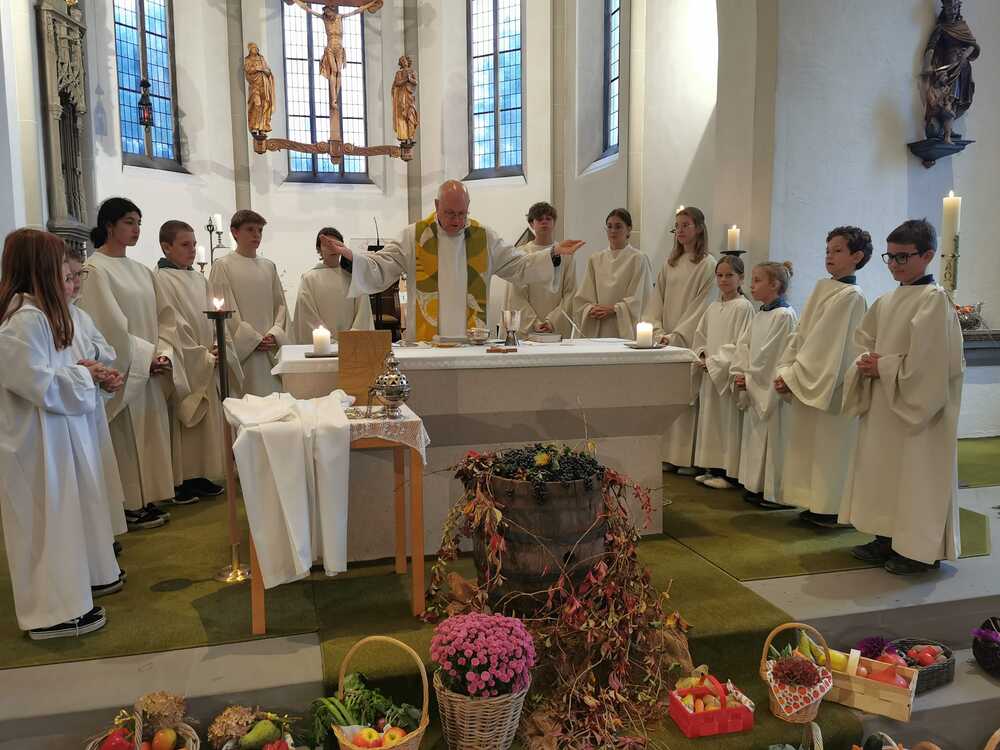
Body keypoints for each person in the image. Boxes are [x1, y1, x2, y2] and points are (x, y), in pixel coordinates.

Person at [0, 229, 122, 639]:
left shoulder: (41, 314)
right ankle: (51, 615)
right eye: (60, 269)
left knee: (64, 517)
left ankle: (72, 595)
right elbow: (37, 383)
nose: (68, 278)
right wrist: (86, 376)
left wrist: (91, 375)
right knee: (44, 522)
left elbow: (60, 371)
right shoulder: (22, 320)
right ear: (40, 269)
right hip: (34, 443)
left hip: (55, 435)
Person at [839, 219, 964, 574]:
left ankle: (919, 550)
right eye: (890, 257)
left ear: (928, 255)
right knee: (884, 471)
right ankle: (887, 537)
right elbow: (863, 342)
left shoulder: (934, 301)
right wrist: (865, 362)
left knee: (915, 474)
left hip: (919, 412)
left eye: (902, 257)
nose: (894, 264)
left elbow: (931, 366)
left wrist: (884, 366)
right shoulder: (886, 300)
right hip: (884, 405)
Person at [320, 180, 584, 342]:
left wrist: (552, 253)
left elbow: (519, 265)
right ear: (436, 205)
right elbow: (381, 266)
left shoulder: (484, 237)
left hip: (473, 343)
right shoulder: (414, 236)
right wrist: (352, 257)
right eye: (449, 213)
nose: (457, 220)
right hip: (426, 344)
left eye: (462, 213)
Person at [77, 198, 177, 530]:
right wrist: (144, 358)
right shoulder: (95, 270)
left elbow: (165, 318)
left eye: (138, 223)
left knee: (148, 434)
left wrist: (163, 353)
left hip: (148, 366)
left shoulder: (142, 271)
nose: (136, 230)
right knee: (125, 438)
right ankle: (128, 504)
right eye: (129, 222)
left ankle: (147, 497)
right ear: (109, 225)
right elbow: (108, 328)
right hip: (128, 369)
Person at [774, 227, 871, 527]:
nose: (829, 256)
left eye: (838, 250)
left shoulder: (851, 296)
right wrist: (786, 368)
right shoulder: (823, 287)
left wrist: (794, 373)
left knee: (830, 447)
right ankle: (814, 502)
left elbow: (828, 346)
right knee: (808, 444)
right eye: (828, 250)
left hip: (831, 384)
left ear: (857, 257)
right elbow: (801, 333)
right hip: (809, 376)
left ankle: (830, 507)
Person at [155, 220, 239, 505]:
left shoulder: (199, 279)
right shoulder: (161, 279)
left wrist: (218, 343)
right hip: (186, 359)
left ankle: (201, 474)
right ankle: (182, 481)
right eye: (185, 245)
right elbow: (171, 323)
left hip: (206, 356)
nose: (192, 250)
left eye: (194, 244)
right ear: (166, 247)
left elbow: (214, 315)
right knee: (186, 419)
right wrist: (200, 355)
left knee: (206, 421)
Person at [647, 206, 718, 474]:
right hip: (665, 337)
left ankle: (686, 459)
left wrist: (677, 335)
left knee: (686, 397)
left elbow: (702, 305)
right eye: (677, 226)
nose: (680, 230)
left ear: (699, 228)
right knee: (666, 397)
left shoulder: (708, 264)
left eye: (686, 225)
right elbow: (657, 299)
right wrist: (656, 329)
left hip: (688, 338)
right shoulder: (671, 263)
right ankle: (667, 454)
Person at [65, 247, 129, 543]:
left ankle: (104, 538)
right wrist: (86, 370)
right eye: (70, 276)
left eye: (80, 275)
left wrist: (101, 370)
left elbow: (106, 349)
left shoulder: (80, 315)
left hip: (89, 400)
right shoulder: (41, 318)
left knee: (98, 472)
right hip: (69, 406)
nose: (77, 282)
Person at [732, 261, 797, 508]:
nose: (752, 285)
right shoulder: (760, 314)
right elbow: (744, 345)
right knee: (757, 438)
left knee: (775, 441)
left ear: (775, 284)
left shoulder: (784, 315)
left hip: (772, 391)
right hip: (756, 385)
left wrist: (749, 378)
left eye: (757, 280)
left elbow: (771, 356)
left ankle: (776, 494)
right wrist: (742, 372)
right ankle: (756, 486)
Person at [691, 256, 755, 489]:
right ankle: (713, 467)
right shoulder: (713, 307)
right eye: (720, 275)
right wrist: (702, 355)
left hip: (726, 375)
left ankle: (729, 474)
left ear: (741, 278)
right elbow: (701, 335)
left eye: (729, 275)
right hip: (711, 372)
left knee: (727, 422)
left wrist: (715, 362)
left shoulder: (743, 307)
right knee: (711, 421)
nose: (724, 280)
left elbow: (741, 343)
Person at [209, 209, 289, 396]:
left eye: (260, 230)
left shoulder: (269, 266)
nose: (256, 235)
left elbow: (280, 306)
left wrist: (274, 334)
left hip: (269, 351)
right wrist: (251, 339)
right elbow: (223, 308)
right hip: (244, 355)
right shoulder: (223, 265)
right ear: (235, 232)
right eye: (250, 229)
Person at [503, 202, 578, 338]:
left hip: (556, 328)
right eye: (539, 219)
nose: (544, 222)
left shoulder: (565, 254)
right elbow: (516, 296)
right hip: (528, 330)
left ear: (554, 223)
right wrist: (534, 323)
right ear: (532, 224)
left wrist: (552, 321)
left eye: (548, 218)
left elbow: (570, 292)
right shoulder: (521, 253)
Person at [574, 208, 651, 339]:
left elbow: (640, 299)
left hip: (624, 328)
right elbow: (583, 298)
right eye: (609, 227)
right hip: (599, 326)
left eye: (618, 226)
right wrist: (590, 308)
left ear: (629, 229)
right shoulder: (595, 259)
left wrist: (614, 309)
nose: (613, 231)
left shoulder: (638, 259)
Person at [292, 227, 374, 343]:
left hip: (351, 345)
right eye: (327, 245)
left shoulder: (353, 277)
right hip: (322, 346)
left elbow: (363, 314)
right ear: (319, 249)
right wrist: (329, 341)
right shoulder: (309, 279)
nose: (332, 248)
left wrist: (350, 340)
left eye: (335, 244)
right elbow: (307, 315)